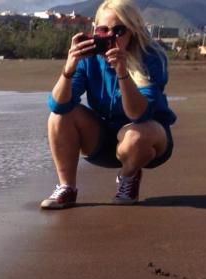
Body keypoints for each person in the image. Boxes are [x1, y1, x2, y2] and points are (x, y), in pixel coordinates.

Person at [41, 0, 176, 209]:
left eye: (118, 30)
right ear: (95, 31)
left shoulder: (150, 57)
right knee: (59, 117)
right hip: (104, 141)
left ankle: (128, 176)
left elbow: (138, 115)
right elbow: (58, 105)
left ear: (132, 31)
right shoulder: (89, 59)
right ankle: (66, 187)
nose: (110, 36)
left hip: (147, 140)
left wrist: (122, 73)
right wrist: (68, 69)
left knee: (134, 136)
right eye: (103, 30)